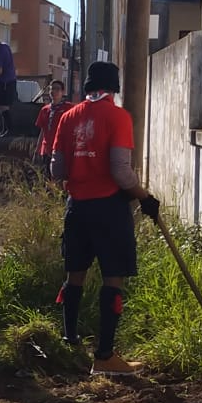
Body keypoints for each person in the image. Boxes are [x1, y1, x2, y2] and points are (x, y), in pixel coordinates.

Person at [49, 60, 160, 375]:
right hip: (109, 210)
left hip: (77, 208)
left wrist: (81, 170)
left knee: (75, 276)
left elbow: (56, 170)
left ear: (87, 88)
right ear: (114, 89)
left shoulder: (67, 118)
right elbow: (121, 172)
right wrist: (145, 198)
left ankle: (70, 344)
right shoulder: (118, 116)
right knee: (113, 277)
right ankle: (105, 356)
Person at [34, 79, 70, 176]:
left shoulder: (68, 109)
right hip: (46, 149)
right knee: (47, 176)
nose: (54, 91)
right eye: (52, 89)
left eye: (57, 89)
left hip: (61, 149)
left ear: (62, 92)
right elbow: (42, 131)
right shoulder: (45, 110)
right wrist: (37, 150)